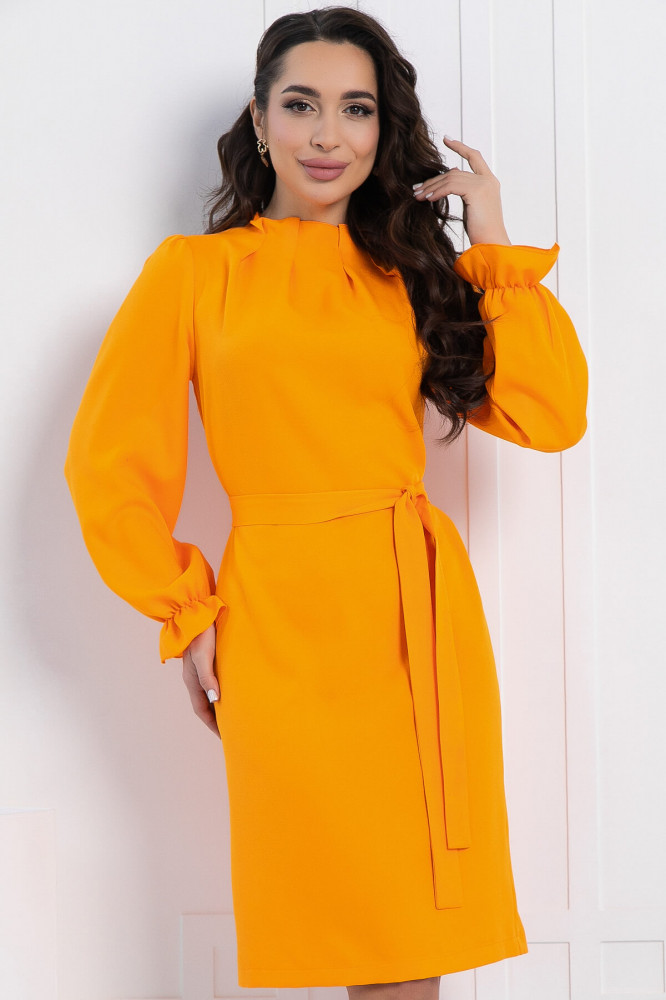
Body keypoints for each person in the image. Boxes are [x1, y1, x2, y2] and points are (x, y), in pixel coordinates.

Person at [63, 6, 588, 998]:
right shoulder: (195, 274)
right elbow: (109, 466)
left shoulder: (410, 278)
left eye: (357, 109)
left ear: (383, 130)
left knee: (412, 951)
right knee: (351, 929)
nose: (327, 134)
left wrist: (490, 244)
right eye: (301, 105)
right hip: (282, 630)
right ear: (260, 121)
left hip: (413, 624)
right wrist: (186, 609)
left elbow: (551, 414)